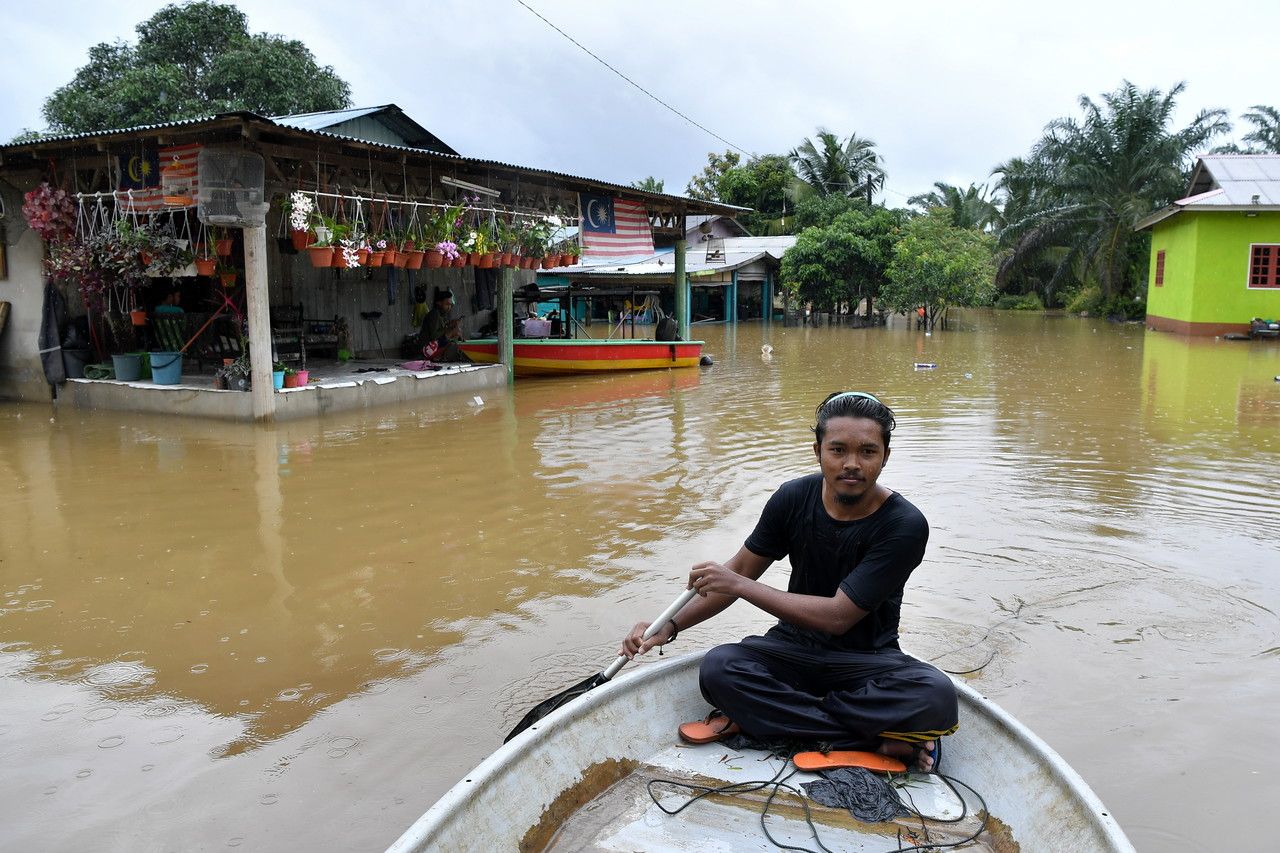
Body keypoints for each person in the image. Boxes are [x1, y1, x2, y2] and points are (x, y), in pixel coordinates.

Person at [621, 391, 957, 772]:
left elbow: (837, 616)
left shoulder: (905, 525)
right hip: (792, 649)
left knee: (936, 695)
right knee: (719, 668)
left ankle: (765, 718)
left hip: (866, 660)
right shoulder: (793, 498)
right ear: (818, 451)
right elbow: (741, 568)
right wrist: (669, 625)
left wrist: (739, 585)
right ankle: (870, 740)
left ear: (885, 456)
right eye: (837, 450)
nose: (851, 464)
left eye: (867, 452)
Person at [420, 287, 471, 363]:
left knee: (454, 334)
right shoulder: (434, 314)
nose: (449, 307)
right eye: (447, 304)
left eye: (450, 305)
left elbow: (441, 331)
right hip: (426, 350)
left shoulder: (441, 315)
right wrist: (450, 329)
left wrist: (450, 326)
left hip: (432, 348)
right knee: (453, 336)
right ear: (439, 303)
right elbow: (434, 336)